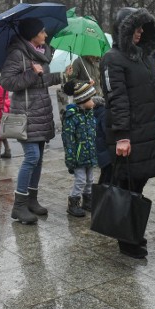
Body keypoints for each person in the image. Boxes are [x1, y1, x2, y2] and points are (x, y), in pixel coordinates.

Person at [100, 7, 155, 258]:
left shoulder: (145, 57)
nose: (140, 33)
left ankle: (132, 230)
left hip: (147, 131)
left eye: (143, 28)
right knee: (125, 185)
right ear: (124, 29)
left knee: (137, 183)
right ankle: (126, 237)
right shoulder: (112, 58)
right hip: (127, 134)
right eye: (136, 28)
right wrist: (122, 136)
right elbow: (116, 99)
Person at [1, 18, 70, 223]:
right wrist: (32, 73)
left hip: (41, 112)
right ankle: (19, 205)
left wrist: (62, 76)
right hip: (26, 113)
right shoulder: (17, 54)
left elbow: (44, 80)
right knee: (31, 157)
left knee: (38, 158)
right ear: (33, 34)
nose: (46, 35)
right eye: (42, 31)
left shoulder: (41, 53)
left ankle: (32, 200)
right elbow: (8, 82)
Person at [61, 80, 99, 218]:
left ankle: (87, 200)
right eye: (91, 98)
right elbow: (68, 139)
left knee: (90, 179)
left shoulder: (89, 114)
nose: (93, 101)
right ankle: (73, 202)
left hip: (89, 154)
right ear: (83, 100)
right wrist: (70, 158)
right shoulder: (72, 117)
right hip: (78, 156)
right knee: (80, 180)